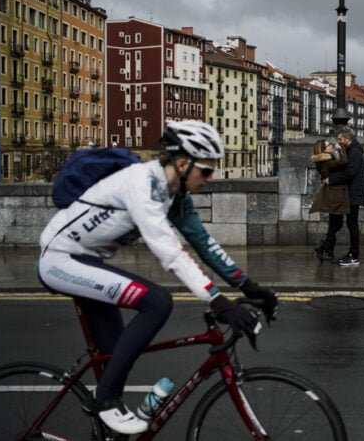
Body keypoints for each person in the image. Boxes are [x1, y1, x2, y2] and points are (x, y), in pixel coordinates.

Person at [37, 120, 278, 435]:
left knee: (115, 358)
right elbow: (170, 252)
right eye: (206, 171)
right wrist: (217, 301)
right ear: (182, 163)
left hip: (87, 261)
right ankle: (106, 401)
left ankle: (105, 403)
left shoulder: (174, 194)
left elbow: (204, 243)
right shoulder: (142, 184)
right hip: (61, 260)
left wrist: (249, 286)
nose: (211, 178)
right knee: (157, 301)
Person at [322, 128, 364, 266]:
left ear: (348, 139)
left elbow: (350, 173)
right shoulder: (351, 150)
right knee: (351, 224)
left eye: (340, 139)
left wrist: (332, 179)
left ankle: (354, 256)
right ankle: (352, 254)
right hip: (351, 193)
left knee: (352, 224)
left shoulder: (354, 152)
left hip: (354, 193)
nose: (339, 141)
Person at [309, 139, 349, 262]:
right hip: (335, 194)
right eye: (328, 145)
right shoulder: (327, 162)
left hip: (334, 193)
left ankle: (327, 251)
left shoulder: (325, 160)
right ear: (323, 150)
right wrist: (340, 148)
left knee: (334, 223)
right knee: (336, 224)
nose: (331, 145)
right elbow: (343, 162)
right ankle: (323, 248)